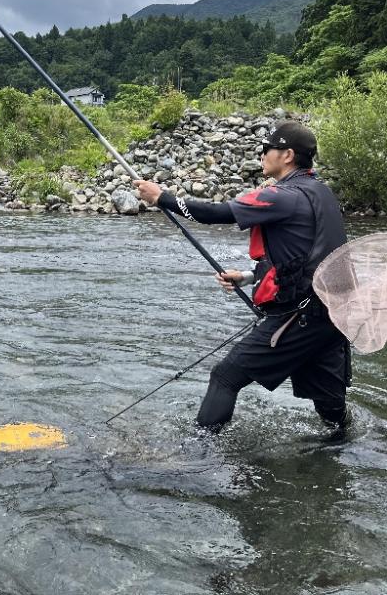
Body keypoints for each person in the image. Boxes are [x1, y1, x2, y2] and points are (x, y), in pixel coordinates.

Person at [134, 120, 351, 431]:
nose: (261, 155)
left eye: (267, 149)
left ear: (287, 155)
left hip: (301, 318)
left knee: (225, 377)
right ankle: (344, 451)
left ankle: (199, 458)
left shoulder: (281, 196)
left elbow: (215, 213)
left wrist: (162, 197)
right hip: (333, 318)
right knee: (331, 411)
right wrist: (251, 277)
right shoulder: (322, 193)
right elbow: (309, 256)